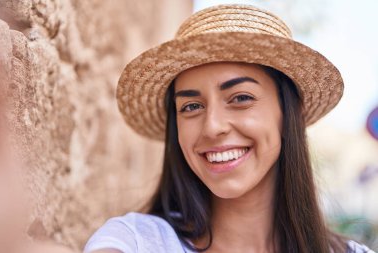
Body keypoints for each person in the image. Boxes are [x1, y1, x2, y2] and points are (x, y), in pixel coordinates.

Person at [84, 4, 375, 253]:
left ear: (290, 115)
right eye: (191, 106)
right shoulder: (137, 241)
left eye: (241, 98)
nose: (212, 127)